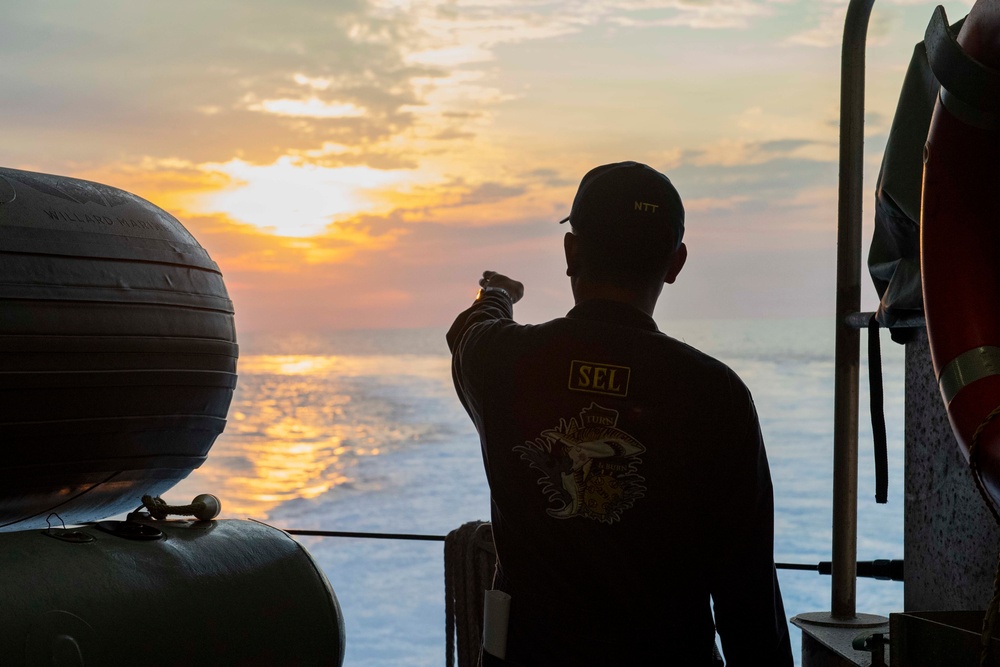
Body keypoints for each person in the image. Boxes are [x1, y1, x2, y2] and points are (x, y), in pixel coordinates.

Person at [447, 161, 792, 666]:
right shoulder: (716, 395)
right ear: (675, 264)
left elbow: (469, 331)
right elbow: (749, 595)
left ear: (571, 252)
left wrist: (498, 292)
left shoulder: (501, 361)